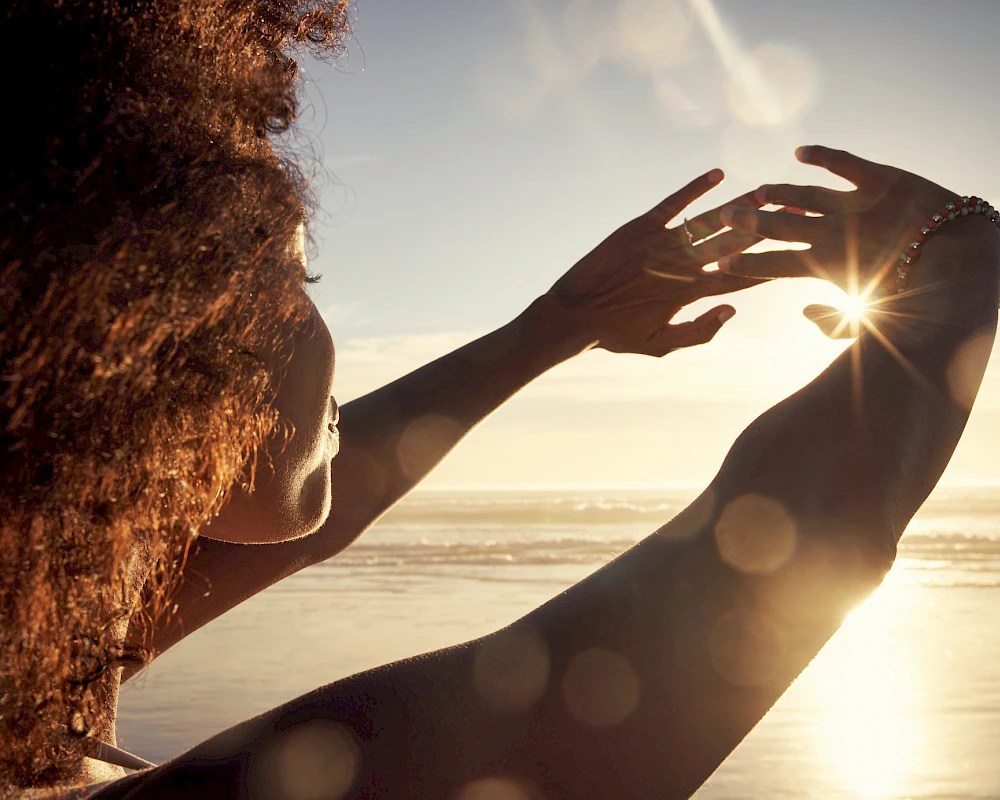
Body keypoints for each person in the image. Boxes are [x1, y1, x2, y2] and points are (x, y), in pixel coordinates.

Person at [2, 3, 997, 799]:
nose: (327, 331)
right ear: (149, 338)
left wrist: (557, 323)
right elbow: (792, 550)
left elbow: (305, 512)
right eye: (300, 280)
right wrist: (959, 269)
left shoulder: (32, 673)